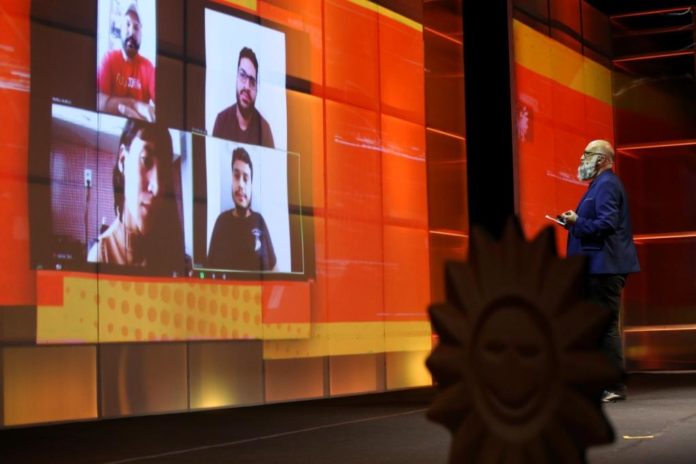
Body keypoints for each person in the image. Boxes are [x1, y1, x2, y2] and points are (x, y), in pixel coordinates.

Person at [560, 139, 640, 403]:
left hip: (604, 267)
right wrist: (574, 223)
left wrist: (578, 221)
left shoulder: (607, 184)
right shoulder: (600, 185)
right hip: (598, 267)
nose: (581, 159)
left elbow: (606, 224)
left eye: (587, 154)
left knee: (605, 325)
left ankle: (615, 385)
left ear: (603, 159)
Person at [88, 119, 183, 273]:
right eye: (146, 160)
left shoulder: (168, 250)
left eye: (164, 170)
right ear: (123, 160)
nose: (157, 188)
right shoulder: (101, 255)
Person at [207, 147, 277, 271]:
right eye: (236, 176)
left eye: (245, 178)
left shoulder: (259, 220)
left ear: (251, 185)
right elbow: (208, 270)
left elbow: (274, 267)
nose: (240, 184)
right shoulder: (221, 222)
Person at [97, 2, 156, 122]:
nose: (131, 31)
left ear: (141, 34)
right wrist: (135, 105)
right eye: (127, 24)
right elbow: (100, 103)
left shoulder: (149, 68)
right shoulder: (108, 59)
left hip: (138, 129)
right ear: (120, 28)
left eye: (136, 27)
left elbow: (162, 110)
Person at [212, 47, 275, 148]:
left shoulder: (265, 130)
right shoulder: (221, 121)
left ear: (257, 88)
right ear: (236, 77)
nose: (247, 86)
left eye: (252, 81)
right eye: (242, 75)